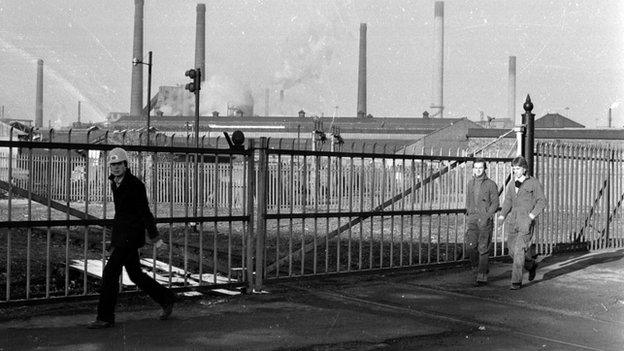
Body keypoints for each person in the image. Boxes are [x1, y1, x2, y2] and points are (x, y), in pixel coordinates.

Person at [88, 147, 175, 329]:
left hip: (130, 237)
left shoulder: (135, 185)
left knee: (110, 273)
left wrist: (155, 237)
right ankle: (166, 299)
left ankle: (105, 318)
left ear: (126, 165)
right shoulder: (115, 183)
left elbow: (145, 213)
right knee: (135, 275)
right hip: (122, 236)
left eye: (119, 164)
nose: (116, 168)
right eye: (113, 165)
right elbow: (122, 215)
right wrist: (114, 239)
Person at [498, 156, 547, 290]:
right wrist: (502, 216)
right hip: (513, 221)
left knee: (519, 251)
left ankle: (516, 282)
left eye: (518, 169)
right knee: (512, 251)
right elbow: (508, 201)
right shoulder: (512, 184)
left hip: (526, 221)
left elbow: (542, 201)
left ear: (524, 169)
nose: (515, 171)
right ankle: (531, 265)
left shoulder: (533, 183)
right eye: (514, 169)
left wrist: (531, 216)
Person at [465, 158, 499, 286]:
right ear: (473, 169)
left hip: (485, 220)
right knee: (470, 246)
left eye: (480, 168)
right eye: (476, 168)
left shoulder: (491, 184)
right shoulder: (470, 183)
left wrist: (487, 215)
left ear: (484, 169)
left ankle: (482, 275)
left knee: (483, 248)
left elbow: (495, 203)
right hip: (473, 219)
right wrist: (469, 213)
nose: (478, 170)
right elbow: (468, 200)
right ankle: (477, 267)